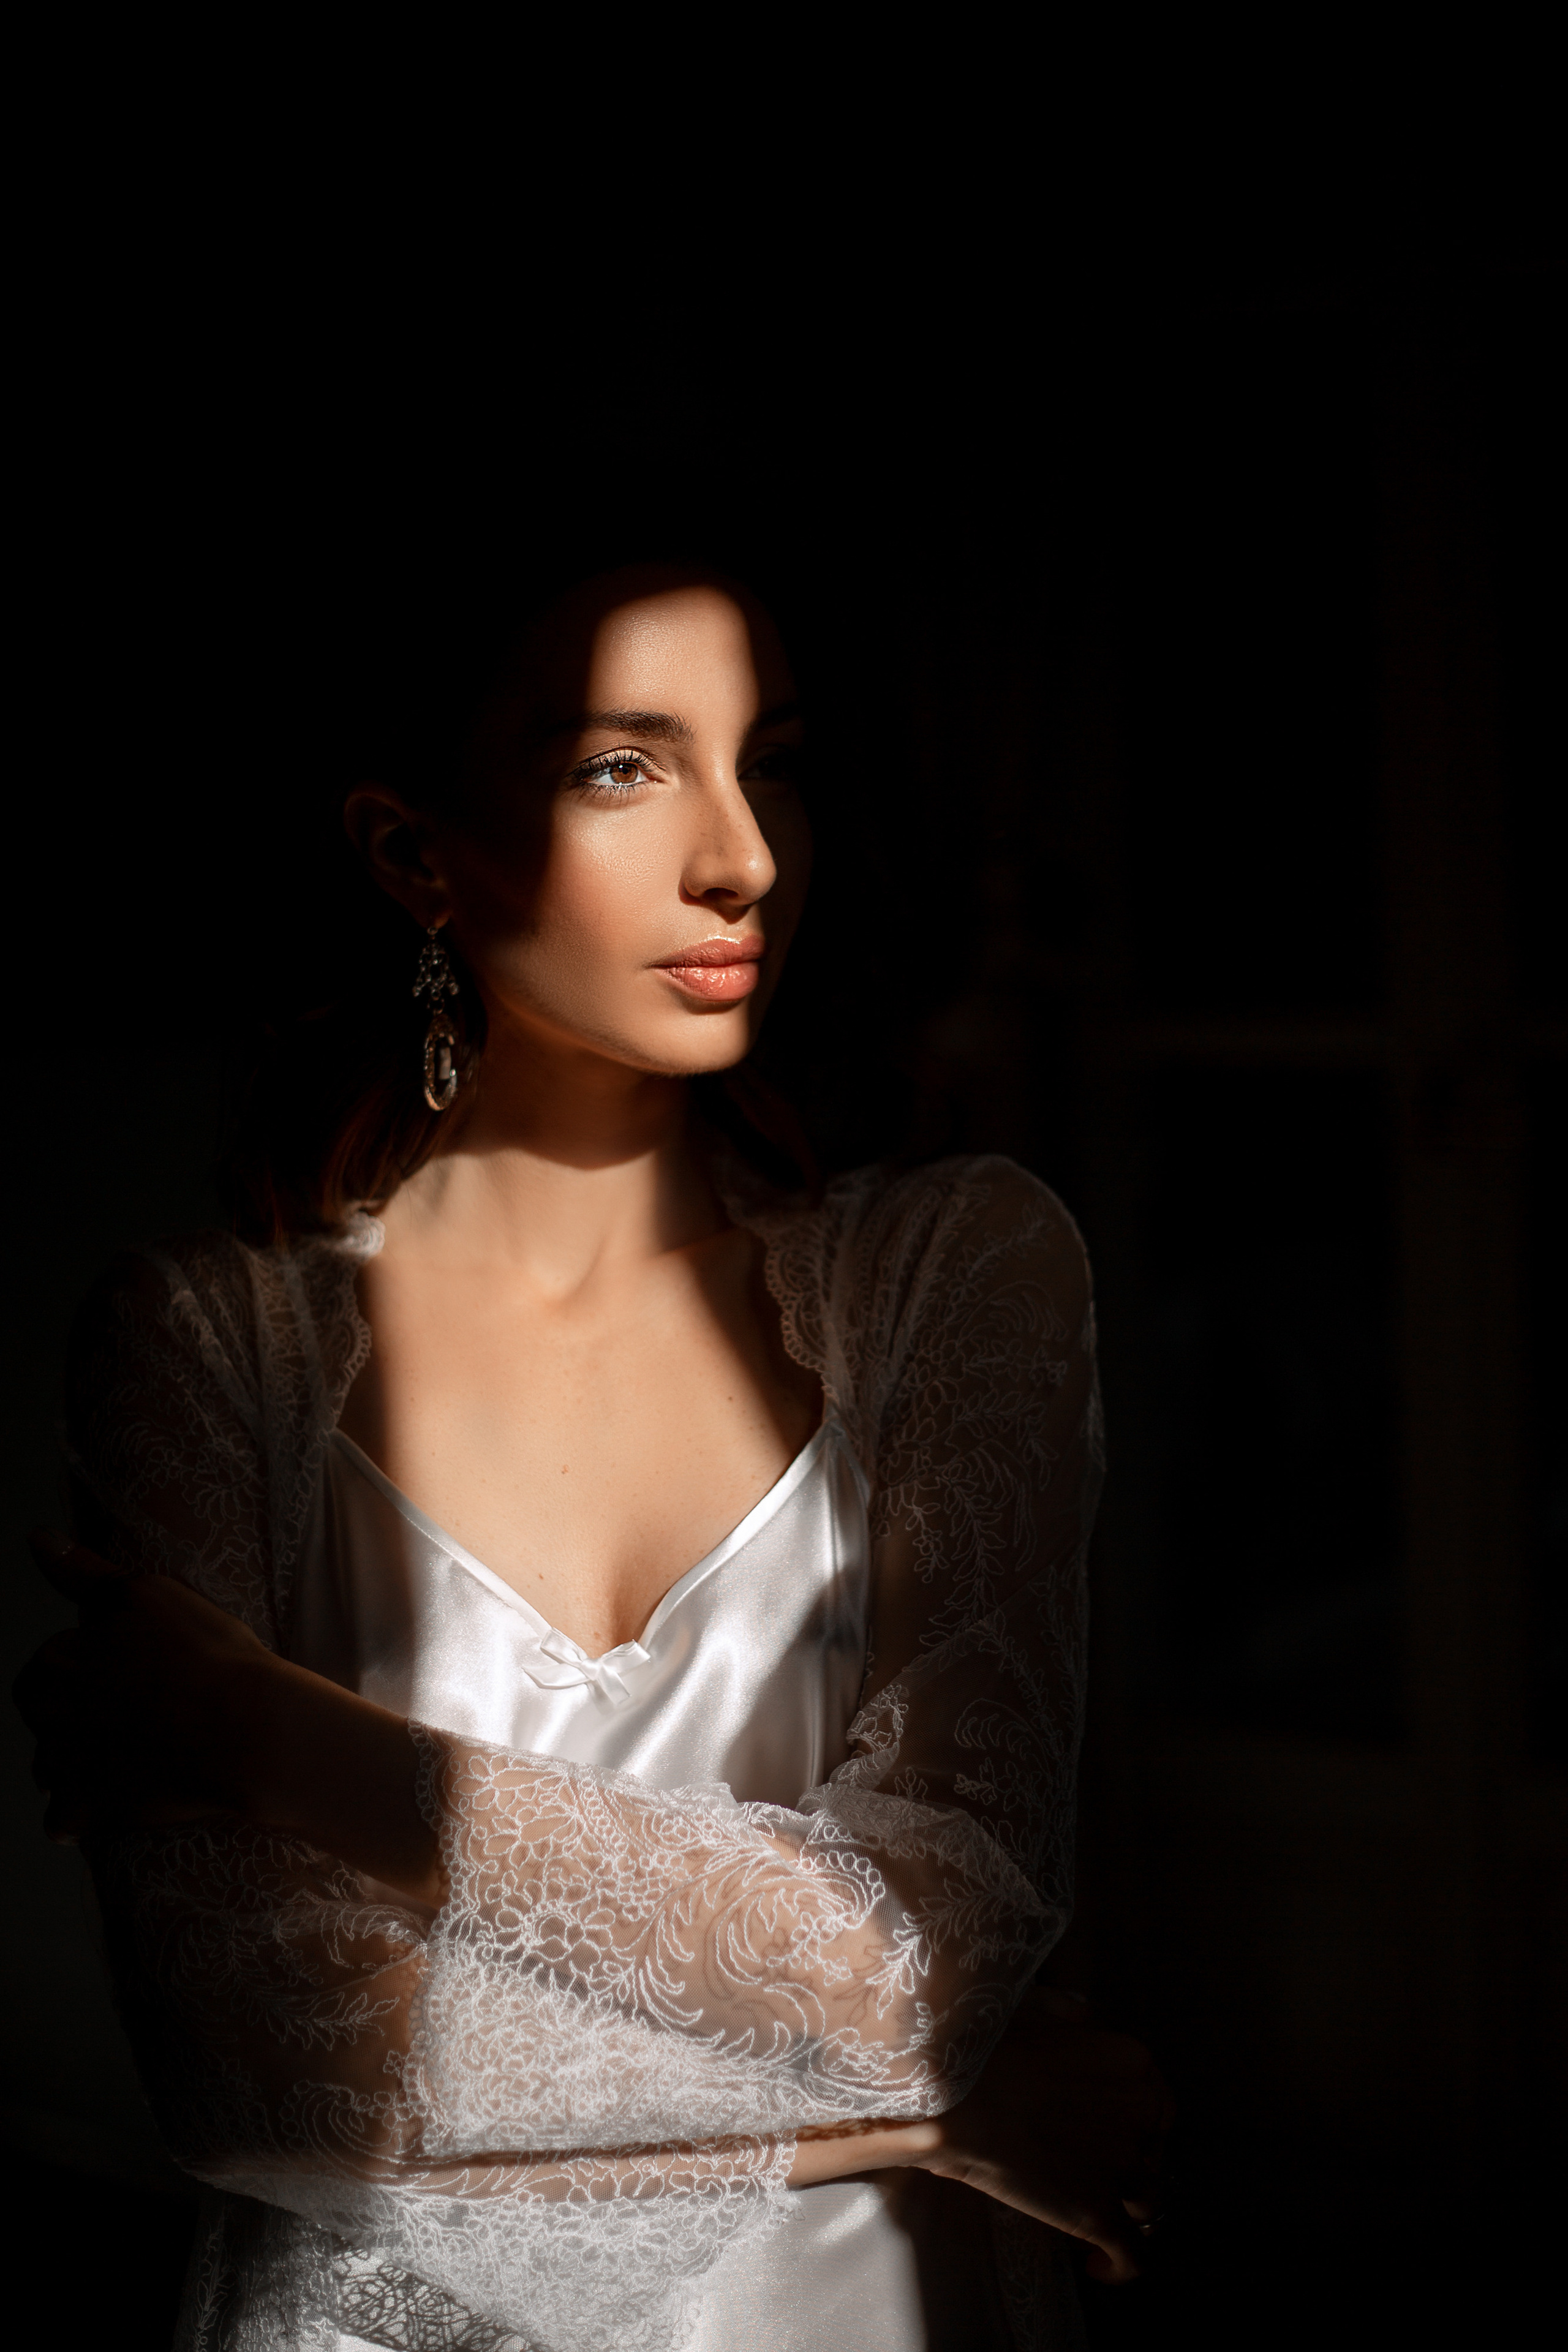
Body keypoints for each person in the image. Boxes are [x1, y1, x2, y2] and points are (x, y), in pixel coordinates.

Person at [15, 560, 1170, 2351]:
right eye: (625, 769)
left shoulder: (957, 1274)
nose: (746, 859)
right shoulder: (202, 1348)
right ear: (417, 853)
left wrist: (280, 1740)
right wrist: (926, 2116)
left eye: (766, 760)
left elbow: (931, 1951)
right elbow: (261, 2077)